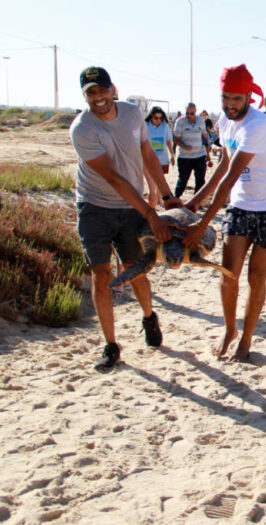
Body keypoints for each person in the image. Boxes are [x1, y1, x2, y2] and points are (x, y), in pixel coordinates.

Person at [70, 66, 184, 372]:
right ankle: (111, 344)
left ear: (113, 89)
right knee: (101, 274)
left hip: (130, 209)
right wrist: (151, 213)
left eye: (102, 90)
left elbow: (147, 154)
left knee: (135, 270)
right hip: (94, 206)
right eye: (91, 93)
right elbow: (114, 178)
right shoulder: (83, 129)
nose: (98, 97)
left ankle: (149, 317)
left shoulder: (133, 115)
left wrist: (166, 194)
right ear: (85, 96)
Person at [183, 64, 266, 363]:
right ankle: (229, 330)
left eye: (237, 99)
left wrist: (202, 224)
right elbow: (222, 167)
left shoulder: (258, 125)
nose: (230, 104)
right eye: (225, 97)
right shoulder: (224, 122)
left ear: (248, 97)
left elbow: (231, 177)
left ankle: (246, 339)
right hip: (240, 207)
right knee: (228, 275)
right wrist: (194, 201)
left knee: (257, 278)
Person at [173, 102, 209, 198]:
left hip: (200, 156)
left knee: (200, 180)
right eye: (187, 113)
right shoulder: (180, 122)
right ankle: (176, 199)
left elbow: (205, 136)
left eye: (191, 113)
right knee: (183, 180)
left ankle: (197, 200)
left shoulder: (201, 121)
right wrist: (184, 146)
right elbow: (176, 139)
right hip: (185, 157)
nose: (189, 115)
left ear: (195, 112)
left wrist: (208, 152)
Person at [144, 107, 175, 208]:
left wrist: (172, 155)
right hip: (148, 158)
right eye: (155, 118)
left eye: (160, 118)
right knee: (151, 183)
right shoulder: (145, 125)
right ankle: (153, 204)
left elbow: (169, 141)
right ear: (151, 117)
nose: (158, 120)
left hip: (162, 157)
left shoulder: (165, 126)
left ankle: (159, 201)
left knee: (160, 180)